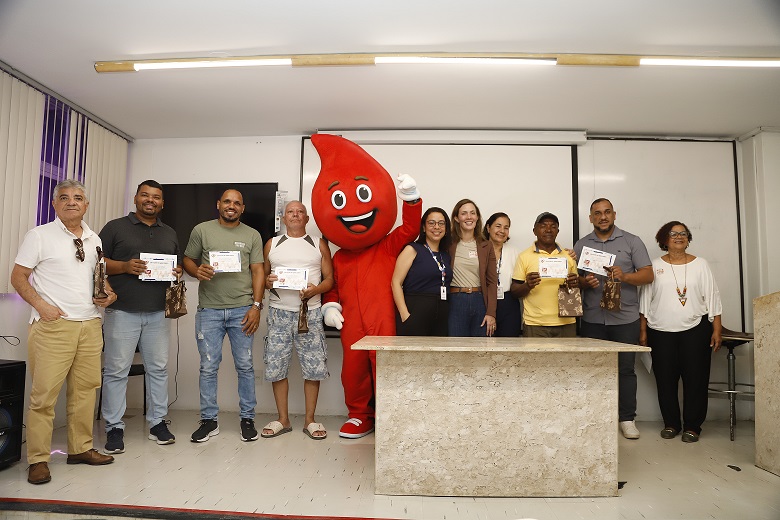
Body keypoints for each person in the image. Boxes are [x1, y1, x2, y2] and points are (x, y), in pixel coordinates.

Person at [310, 134, 422, 439]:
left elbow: (411, 229)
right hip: (352, 324)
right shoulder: (340, 257)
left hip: (383, 319)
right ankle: (359, 415)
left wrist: (411, 198)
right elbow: (331, 285)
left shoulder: (387, 246)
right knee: (354, 369)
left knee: (384, 366)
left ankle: (388, 414)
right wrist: (330, 306)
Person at [11, 179, 116, 485]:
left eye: (78, 197)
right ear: (54, 204)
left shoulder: (95, 238)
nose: (72, 202)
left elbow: (100, 280)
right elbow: (18, 278)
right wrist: (41, 306)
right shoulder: (39, 235)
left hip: (90, 325)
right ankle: (38, 459)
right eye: (65, 197)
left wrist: (109, 295)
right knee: (43, 397)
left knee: (85, 392)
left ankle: (80, 449)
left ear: (86, 205)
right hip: (53, 327)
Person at [99, 180, 181, 453]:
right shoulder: (114, 227)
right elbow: (95, 262)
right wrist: (124, 266)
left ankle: (157, 422)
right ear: (135, 199)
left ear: (162, 203)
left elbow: (175, 266)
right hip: (121, 311)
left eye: (156, 197)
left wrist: (176, 272)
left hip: (158, 312)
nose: (150, 200)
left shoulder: (169, 232)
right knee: (116, 371)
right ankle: (114, 428)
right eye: (145, 195)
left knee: (158, 369)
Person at [183, 189, 265, 443]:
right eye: (227, 201)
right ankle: (209, 421)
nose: (232, 206)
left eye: (237, 203)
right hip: (210, 310)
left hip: (243, 309)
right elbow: (187, 259)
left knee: (245, 366)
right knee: (208, 366)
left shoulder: (252, 235)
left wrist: (256, 306)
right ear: (218, 204)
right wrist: (197, 271)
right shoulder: (201, 230)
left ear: (242, 208)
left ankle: (247, 419)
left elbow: (258, 271)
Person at [574, 198, 654, 440]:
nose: (603, 217)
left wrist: (625, 277)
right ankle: (595, 418)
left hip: (625, 318)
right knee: (593, 370)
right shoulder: (581, 245)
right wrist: (584, 282)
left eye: (607, 212)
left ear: (614, 215)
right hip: (592, 318)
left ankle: (627, 419)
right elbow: (572, 280)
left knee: (626, 370)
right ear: (590, 218)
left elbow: (649, 275)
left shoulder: (632, 241)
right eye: (597, 213)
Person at [640, 221, 722, 443]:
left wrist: (716, 329)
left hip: (695, 329)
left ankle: (693, 426)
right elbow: (645, 300)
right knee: (665, 380)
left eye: (683, 234)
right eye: (673, 234)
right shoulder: (654, 266)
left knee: (696, 378)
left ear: (688, 238)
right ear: (664, 239)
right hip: (659, 330)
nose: (678, 237)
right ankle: (671, 424)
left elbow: (712, 296)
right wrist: (643, 330)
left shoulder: (701, 264)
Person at [261, 201, 333, 440]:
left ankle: (310, 421)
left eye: (300, 212)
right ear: (283, 218)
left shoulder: (318, 244)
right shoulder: (272, 243)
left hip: (309, 312)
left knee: (313, 368)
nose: (295, 215)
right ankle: (283, 419)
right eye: (290, 211)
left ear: (307, 218)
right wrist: (269, 282)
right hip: (278, 312)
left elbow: (330, 280)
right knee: (276, 365)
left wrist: (316, 289)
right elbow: (264, 277)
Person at [510, 212, 578, 337]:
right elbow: (514, 291)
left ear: (557, 231)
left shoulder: (568, 256)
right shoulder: (524, 256)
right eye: (543, 226)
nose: (548, 230)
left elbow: (576, 287)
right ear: (534, 230)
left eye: (553, 226)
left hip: (567, 322)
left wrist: (575, 283)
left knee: (568, 357)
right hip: (535, 324)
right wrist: (527, 285)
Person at [391, 207, 453, 336]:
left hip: (441, 316)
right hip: (415, 313)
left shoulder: (445, 255)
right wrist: (405, 315)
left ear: (446, 229)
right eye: (431, 223)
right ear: (424, 228)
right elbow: (395, 282)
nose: (437, 227)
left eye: (441, 223)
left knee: (438, 356)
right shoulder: (412, 249)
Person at [447, 199, 497, 337]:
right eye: (464, 213)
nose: (469, 217)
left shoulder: (486, 246)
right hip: (456, 301)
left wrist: (491, 313)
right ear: (456, 218)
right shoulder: (448, 244)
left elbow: (492, 282)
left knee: (480, 350)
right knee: (456, 349)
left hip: (480, 301)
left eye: (472, 213)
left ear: (477, 217)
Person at [484, 212, 522, 337]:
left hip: (508, 304)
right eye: (498, 226)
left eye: (506, 227)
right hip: (485, 302)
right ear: (488, 228)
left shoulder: (514, 252)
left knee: (510, 346)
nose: (502, 231)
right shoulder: (479, 250)